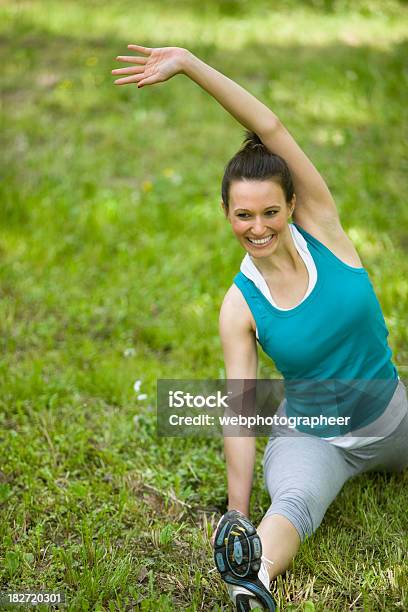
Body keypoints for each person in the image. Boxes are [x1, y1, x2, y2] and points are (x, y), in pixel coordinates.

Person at [112, 45, 408, 611]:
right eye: (243, 215)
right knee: (294, 502)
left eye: (270, 212)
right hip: (316, 434)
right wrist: (237, 512)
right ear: (227, 214)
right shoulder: (239, 305)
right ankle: (253, 582)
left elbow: (268, 124)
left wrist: (190, 65)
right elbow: (241, 408)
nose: (258, 226)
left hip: (393, 415)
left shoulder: (322, 227)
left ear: (293, 205)